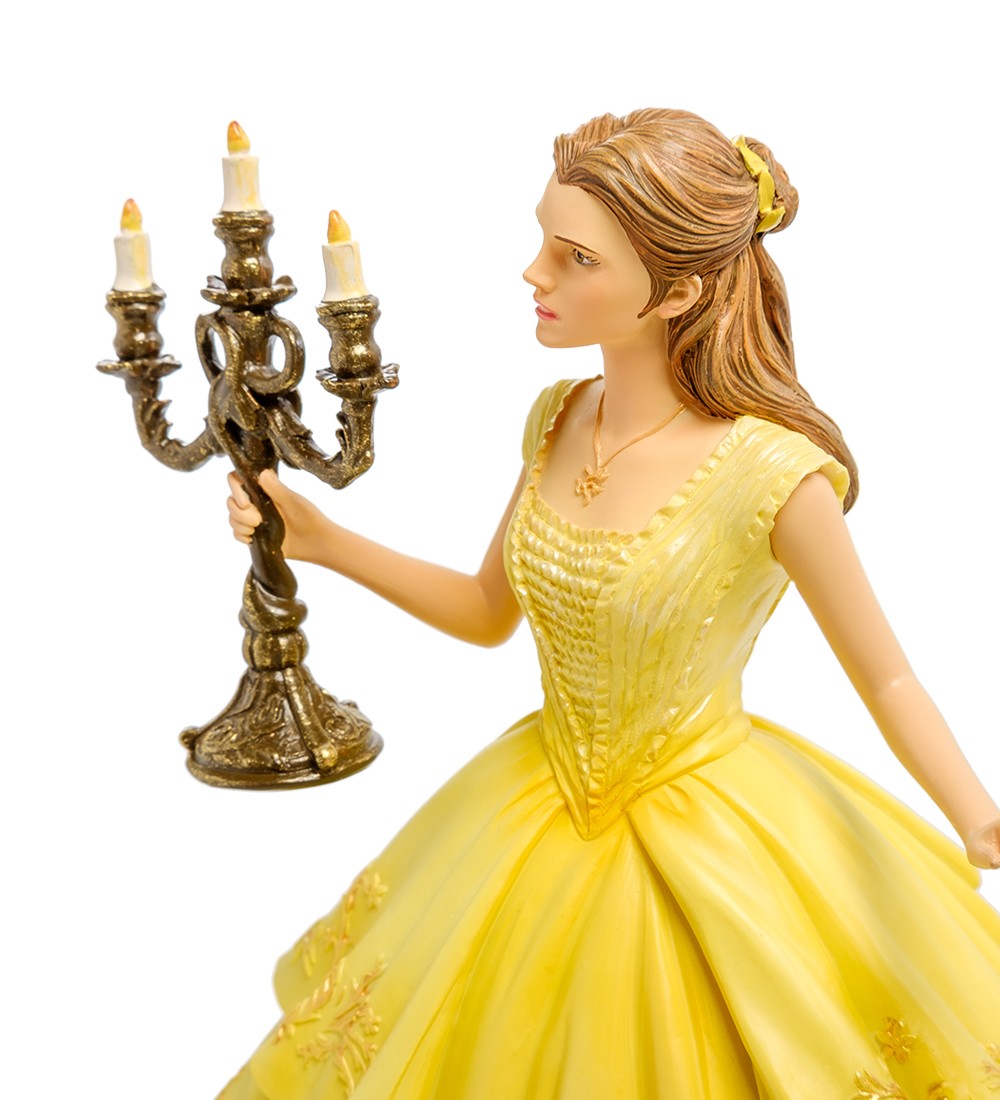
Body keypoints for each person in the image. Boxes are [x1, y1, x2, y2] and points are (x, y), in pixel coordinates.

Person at [219, 109, 1000, 1099]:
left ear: (677, 291)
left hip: (710, 826)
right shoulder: (559, 419)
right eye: (544, 241)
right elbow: (486, 608)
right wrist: (325, 541)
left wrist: (978, 814)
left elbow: (888, 676)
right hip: (531, 801)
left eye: (574, 256)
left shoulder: (775, 475)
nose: (534, 273)